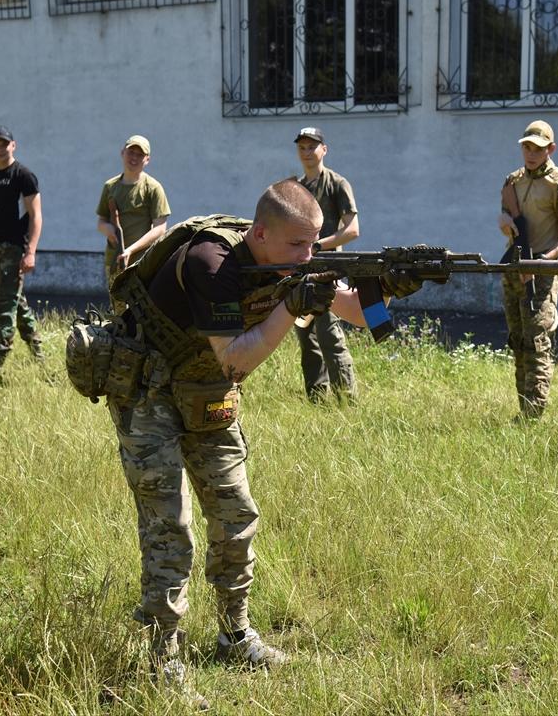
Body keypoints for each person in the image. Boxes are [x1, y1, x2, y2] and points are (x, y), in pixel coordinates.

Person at [100, 179, 424, 704]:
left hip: (204, 390)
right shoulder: (211, 262)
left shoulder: (290, 262)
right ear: (260, 233)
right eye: (298, 245)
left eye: (315, 244)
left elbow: (364, 317)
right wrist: (292, 306)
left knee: (235, 515)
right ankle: (161, 660)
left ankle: (234, 635)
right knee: (170, 527)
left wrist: (389, 289)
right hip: (147, 391)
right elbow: (237, 358)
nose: (309, 256)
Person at [496, 120, 558, 420]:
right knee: (518, 339)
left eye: (539, 149)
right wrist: (504, 220)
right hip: (513, 267)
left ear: (551, 149)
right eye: (527, 147)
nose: (531, 154)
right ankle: (523, 407)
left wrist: (547, 259)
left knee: (537, 341)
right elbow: (506, 216)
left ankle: (534, 414)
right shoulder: (512, 181)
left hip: (541, 274)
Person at [292, 126, 360, 402]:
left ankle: (347, 399)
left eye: (312, 146)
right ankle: (317, 399)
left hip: (329, 270)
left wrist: (318, 245)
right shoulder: (296, 187)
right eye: (302, 147)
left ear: (324, 149)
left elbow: (352, 230)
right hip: (301, 271)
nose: (307, 152)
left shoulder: (336, 183)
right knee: (305, 333)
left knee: (329, 334)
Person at [0, 125, 43, 370]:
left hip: (14, 249)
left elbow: (36, 216)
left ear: (13, 145)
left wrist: (31, 252)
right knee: (16, 301)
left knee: (4, 304)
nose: (1, 148)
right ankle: (38, 352)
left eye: (5, 143)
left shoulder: (24, 175)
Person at [95, 135, 170, 314]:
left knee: (143, 311)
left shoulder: (153, 188)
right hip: (115, 261)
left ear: (147, 160)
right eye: (131, 152)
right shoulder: (110, 186)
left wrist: (131, 250)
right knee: (119, 312)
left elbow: (160, 228)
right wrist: (109, 230)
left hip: (143, 263)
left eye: (139, 154)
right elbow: (101, 222)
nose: (134, 158)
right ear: (122, 153)